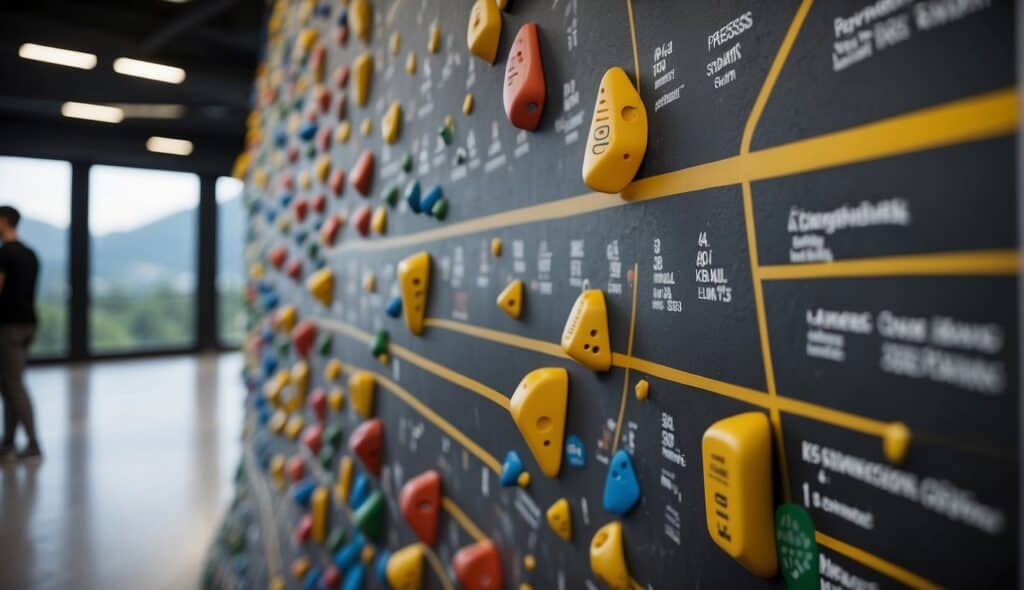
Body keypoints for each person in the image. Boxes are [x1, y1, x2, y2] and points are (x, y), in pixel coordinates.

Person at [0, 205, 42, 463]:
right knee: (8, 383)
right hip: (28, 324)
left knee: (13, 384)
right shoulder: (31, 254)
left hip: (8, 326)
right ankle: (9, 441)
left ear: (4, 222)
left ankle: (33, 444)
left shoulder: (4, 254)